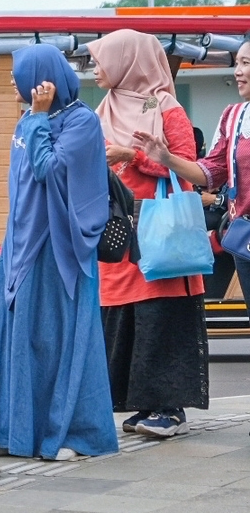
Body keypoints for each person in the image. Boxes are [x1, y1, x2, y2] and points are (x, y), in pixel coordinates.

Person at [0, 45, 118, 461]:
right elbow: (21, 186)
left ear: (45, 78)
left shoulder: (80, 122)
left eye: (21, 73)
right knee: (16, 339)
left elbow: (48, 171)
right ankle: (15, 431)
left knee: (57, 339)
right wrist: (37, 118)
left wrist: (41, 117)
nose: (12, 81)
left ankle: (73, 432)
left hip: (60, 248)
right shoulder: (28, 120)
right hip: (21, 245)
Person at [85, 30, 210, 440]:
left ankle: (168, 408)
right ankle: (142, 403)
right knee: (126, 318)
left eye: (102, 60)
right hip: (120, 234)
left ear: (128, 61)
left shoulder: (167, 108)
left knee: (160, 317)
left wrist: (132, 155)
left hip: (159, 231)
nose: (96, 69)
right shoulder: (103, 109)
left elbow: (186, 166)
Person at [139, 37, 250, 348]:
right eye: (237, 63)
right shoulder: (234, 115)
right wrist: (165, 158)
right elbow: (210, 170)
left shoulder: (164, 102)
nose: (237, 71)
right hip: (246, 237)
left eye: (246, 63)